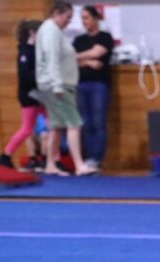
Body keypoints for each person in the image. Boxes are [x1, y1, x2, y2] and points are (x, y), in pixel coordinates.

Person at [33, 2, 95, 176]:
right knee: (74, 123)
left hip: (52, 83)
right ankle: (79, 165)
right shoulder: (51, 31)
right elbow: (51, 59)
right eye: (67, 18)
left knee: (57, 125)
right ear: (57, 13)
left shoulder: (52, 31)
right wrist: (57, 85)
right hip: (56, 85)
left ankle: (50, 164)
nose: (68, 22)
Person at [0, 20, 44, 171]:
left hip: (39, 95)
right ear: (32, 33)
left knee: (53, 125)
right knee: (26, 129)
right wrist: (41, 77)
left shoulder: (36, 50)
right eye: (41, 33)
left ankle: (51, 159)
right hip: (29, 96)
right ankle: (5, 155)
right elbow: (25, 76)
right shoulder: (25, 52)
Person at [73, 5, 113, 170]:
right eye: (82, 18)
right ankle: (86, 157)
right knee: (84, 122)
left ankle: (96, 157)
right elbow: (70, 58)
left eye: (87, 18)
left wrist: (81, 58)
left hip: (99, 84)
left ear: (96, 18)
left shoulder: (105, 37)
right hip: (81, 83)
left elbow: (98, 53)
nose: (84, 22)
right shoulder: (79, 40)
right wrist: (88, 61)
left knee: (98, 121)